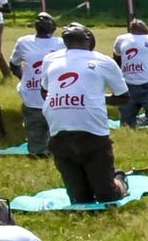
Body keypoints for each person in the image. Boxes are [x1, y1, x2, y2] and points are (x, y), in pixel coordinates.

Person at [40, 25, 130, 205]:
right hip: (60, 134)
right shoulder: (50, 59)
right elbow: (45, 91)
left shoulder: (103, 62)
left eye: (76, 27)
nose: (70, 27)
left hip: (93, 134)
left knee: (107, 196)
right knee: (80, 199)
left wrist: (94, 99)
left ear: (89, 37)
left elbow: (123, 97)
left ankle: (119, 179)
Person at [9, 14, 65, 155]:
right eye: (38, 18)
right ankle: (37, 153)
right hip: (32, 97)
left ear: (54, 27)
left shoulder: (61, 43)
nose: (41, 20)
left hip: (55, 97)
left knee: (58, 131)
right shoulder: (23, 42)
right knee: (34, 128)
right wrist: (24, 79)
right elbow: (13, 64)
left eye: (46, 19)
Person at [112, 20, 148, 129]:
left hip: (147, 85)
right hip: (128, 86)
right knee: (126, 122)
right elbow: (117, 59)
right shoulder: (121, 40)